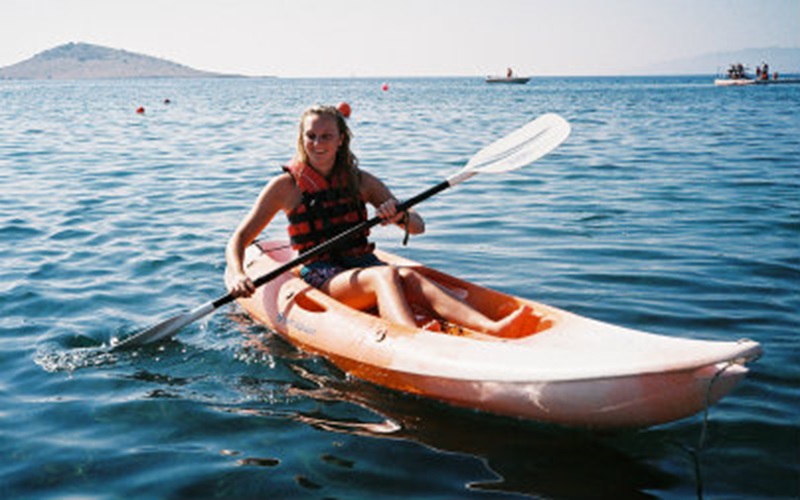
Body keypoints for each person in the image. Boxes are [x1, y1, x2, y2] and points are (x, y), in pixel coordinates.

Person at [226, 105, 534, 336]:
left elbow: (418, 226)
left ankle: (490, 328)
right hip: (321, 272)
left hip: (361, 262)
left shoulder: (361, 182)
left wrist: (398, 215)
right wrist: (239, 273)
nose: (318, 143)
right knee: (385, 277)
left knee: (409, 277)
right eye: (311, 136)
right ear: (301, 138)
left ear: (341, 140)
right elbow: (238, 239)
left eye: (326, 136)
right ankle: (411, 340)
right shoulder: (285, 187)